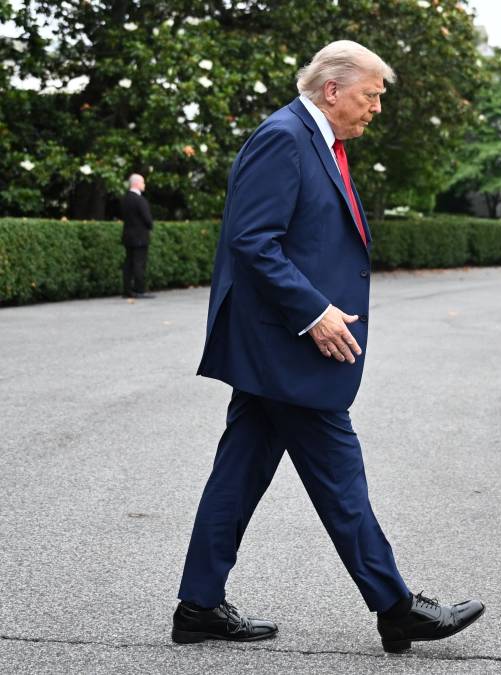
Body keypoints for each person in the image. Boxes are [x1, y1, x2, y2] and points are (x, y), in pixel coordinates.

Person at [172, 40, 484, 652]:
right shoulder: (285, 137)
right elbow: (251, 241)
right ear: (333, 89)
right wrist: (314, 312)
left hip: (277, 352)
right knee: (341, 479)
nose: (375, 109)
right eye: (370, 96)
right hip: (287, 347)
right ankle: (396, 607)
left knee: (236, 477)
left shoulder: (319, 141)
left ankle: (199, 605)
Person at [120, 173, 155, 299]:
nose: (144, 184)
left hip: (128, 236)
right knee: (139, 264)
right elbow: (147, 219)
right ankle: (139, 290)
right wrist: (151, 226)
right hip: (140, 237)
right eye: (143, 182)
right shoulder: (140, 200)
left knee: (128, 263)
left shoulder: (125, 199)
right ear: (136, 183)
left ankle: (127, 290)